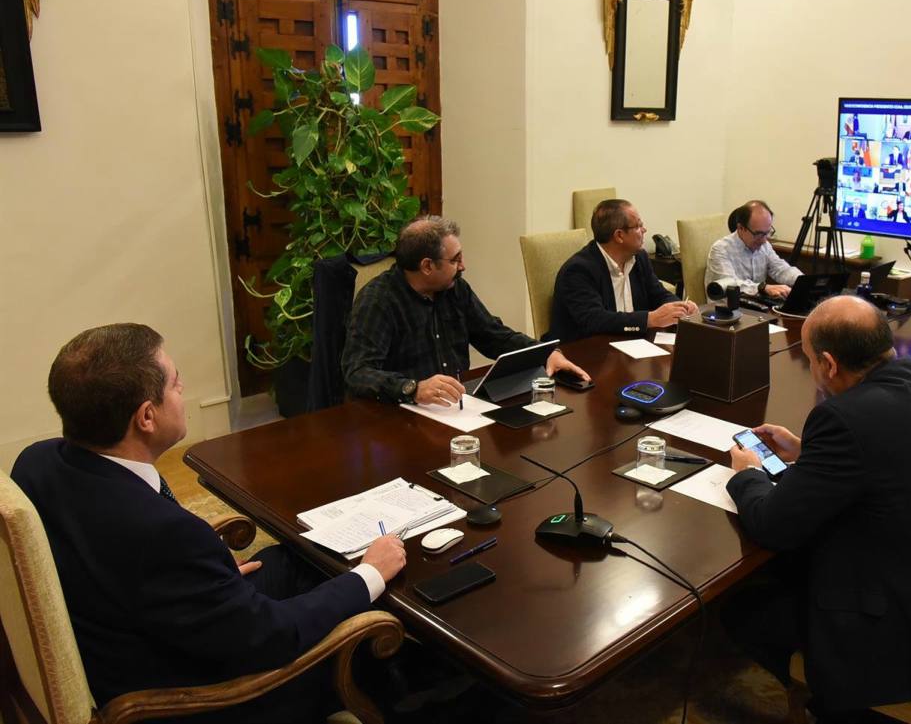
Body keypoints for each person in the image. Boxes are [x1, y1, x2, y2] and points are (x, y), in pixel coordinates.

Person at [11, 324, 411, 722]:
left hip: (144, 621)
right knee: (378, 638)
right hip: (201, 693)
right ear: (146, 416)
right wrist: (369, 575)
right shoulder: (162, 533)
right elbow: (272, 638)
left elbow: (112, 560)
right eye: (176, 384)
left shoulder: (37, 462)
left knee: (298, 561)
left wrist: (195, 584)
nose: (183, 391)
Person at [723, 296, 911, 717]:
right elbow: (893, 454)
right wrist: (808, 451)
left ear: (828, 363)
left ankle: (830, 708)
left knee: (744, 608)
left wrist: (746, 474)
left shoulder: (844, 418)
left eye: (809, 361)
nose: (811, 370)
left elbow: (771, 525)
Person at [343, 215, 589, 406]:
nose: (464, 266)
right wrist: (413, 388)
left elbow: (494, 335)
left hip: (456, 408)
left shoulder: (455, 289)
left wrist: (545, 353)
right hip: (400, 415)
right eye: (455, 260)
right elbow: (358, 373)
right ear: (427, 266)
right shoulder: (378, 300)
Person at [547, 199, 696, 342]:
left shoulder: (639, 258)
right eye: (638, 226)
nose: (644, 230)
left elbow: (658, 294)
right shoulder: (578, 270)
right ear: (619, 236)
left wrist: (680, 308)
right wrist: (650, 319)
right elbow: (594, 320)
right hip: (587, 351)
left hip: (635, 346)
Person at [705, 200, 803, 299]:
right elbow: (730, 284)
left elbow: (781, 269)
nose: (764, 240)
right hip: (727, 309)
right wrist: (763, 288)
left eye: (767, 233)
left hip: (755, 306)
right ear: (741, 228)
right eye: (759, 234)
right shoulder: (721, 250)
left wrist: (803, 281)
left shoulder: (764, 246)